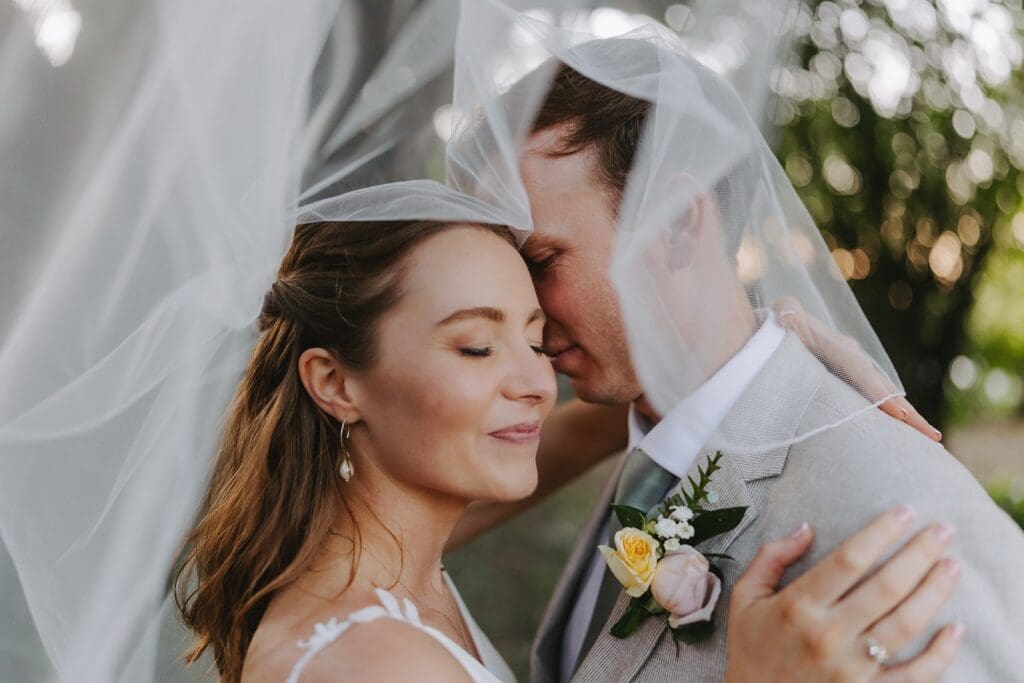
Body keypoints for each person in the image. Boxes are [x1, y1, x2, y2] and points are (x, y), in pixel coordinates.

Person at [175, 211, 963, 683]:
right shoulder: (381, 662)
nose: (534, 383)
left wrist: (770, 344)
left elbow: (609, 407)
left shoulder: (371, 548)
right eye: (476, 348)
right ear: (335, 382)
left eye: (533, 338)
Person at [516, 44, 1024, 682]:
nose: (521, 311)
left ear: (675, 224)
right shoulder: (650, 451)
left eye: (540, 262)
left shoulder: (895, 521)